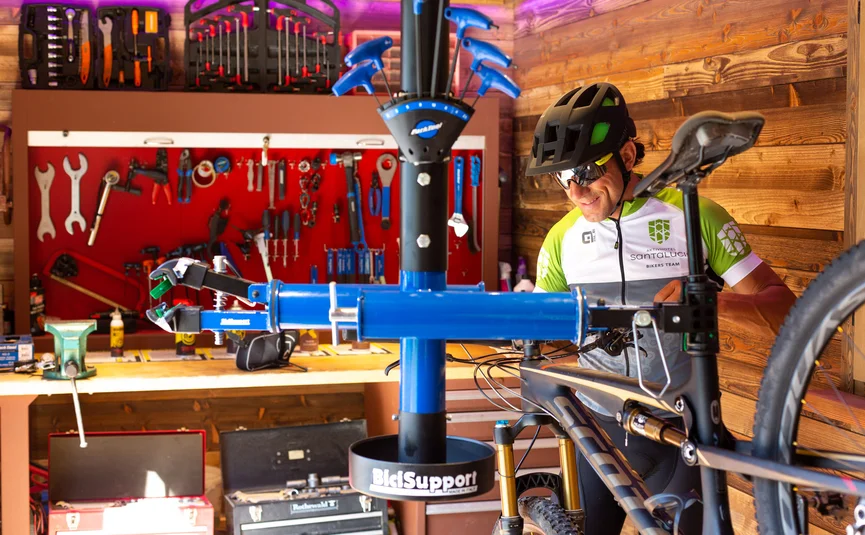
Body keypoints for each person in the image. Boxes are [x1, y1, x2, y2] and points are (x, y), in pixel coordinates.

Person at [523, 82, 797, 534]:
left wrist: (713, 300)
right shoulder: (561, 240)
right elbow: (548, 342)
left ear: (628, 155)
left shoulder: (696, 215)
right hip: (598, 429)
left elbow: (784, 309)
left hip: (679, 429)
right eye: (563, 177)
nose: (576, 190)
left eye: (588, 170)